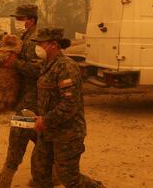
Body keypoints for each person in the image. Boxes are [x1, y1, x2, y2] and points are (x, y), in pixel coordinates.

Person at [31, 27, 105, 188]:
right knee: (39, 172)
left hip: (67, 133)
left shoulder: (66, 67)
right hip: (48, 131)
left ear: (53, 44)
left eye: (40, 43)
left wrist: (46, 120)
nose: (37, 47)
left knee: (70, 179)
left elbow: (69, 104)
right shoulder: (46, 65)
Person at [0, 4, 41, 188]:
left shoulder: (35, 41)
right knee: (37, 134)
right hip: (24, 93)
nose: (18, 22)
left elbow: (39, 70)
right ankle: (54, 169)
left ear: (30, 20)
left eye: (20, 19)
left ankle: (5, 179)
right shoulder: (24, 37)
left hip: (34, 94)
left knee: (18, 131)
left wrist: (16, 63)